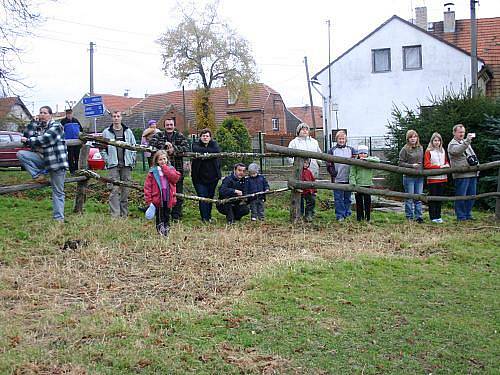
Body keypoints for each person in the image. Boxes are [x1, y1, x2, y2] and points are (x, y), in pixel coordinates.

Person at [17, 106, 68, 221]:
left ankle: (58, 219)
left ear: (50, 115)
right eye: (40, 113)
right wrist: (33, 122)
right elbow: (26, 136)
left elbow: (45, 140)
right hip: (43, 159)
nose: (42, 115)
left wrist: (31, 141)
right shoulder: (39, 126)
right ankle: (38, 175)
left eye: (45, 113)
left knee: (58, 192)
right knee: (21, 154)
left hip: (56, 163)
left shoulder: (57, 126)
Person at [149, 117, 189, 221]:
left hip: (177, 169)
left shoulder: (179, 136)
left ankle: (176, 215)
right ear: (164, 126)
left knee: (177, 193)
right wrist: (164, 146)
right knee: (161, 192)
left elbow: (187, 147)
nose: (169, 127)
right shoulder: (159, 135)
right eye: (167, 125)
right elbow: (151, 144)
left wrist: (174, 149)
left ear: (174, 126)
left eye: (171, 125)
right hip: (160, 172)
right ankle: (162, 212)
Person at [101, 111, 137, 218]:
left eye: (118, 116)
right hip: (113, 164)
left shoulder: (128, 131)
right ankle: (115, 215)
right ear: (112, 118)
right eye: (114, 116)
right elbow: (102, 148)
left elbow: (134, 147)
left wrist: (132, 160)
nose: (116, 118)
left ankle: (124, 213)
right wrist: (108, 160)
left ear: (121, 118)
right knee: (114, 189)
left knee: (126, 189)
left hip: (126, 164)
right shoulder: (106, 132)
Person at [144, 150, 181, 236]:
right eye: (160, 159)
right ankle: (160, 230)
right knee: (160, 215)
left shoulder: (171, 169)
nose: (163, 161)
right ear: (157, 161)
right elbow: (147, 187)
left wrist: (165, 169)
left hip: (168, 197)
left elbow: (175, 178)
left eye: (164, 159)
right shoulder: (153, 171)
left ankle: (166, 230)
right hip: (157, 198)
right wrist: (149, 200)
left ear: (167, 159)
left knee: (167, 214)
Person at [447, 124, 479, 221]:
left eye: (463, 132)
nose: (462, 134)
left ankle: (468, 214)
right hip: (461, 174)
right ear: (454, 132)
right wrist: (467, 140)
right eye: (460, 132)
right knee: (461, 196)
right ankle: (461, 216)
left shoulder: (465, 142)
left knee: (472, 196)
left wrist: (477, 167)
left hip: (472, 172)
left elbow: (472, 155)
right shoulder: (452, 144)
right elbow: (457, 151)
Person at [191, 128, 222, 222]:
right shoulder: (195, 144)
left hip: (213, 177)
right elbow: (196, 149)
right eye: (203, 136)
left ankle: (208, 216)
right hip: (199, 178)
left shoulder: (214, 144)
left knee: (210, 197)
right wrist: (208, 153)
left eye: (207, 136)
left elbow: (216, 150)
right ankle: (204, 218)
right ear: (200, 137)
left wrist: (203, 154)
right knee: (202, 197)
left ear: (210, 137)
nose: (205, 137)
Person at [327, 130, 355, 221]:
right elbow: (329, 164)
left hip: (348, 177)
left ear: (346, 140)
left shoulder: (351, 150)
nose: (341, 140)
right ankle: (340, 215)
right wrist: (333, 173)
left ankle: (347, 213)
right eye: (340, 139)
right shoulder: (332, 150)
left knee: (348, 197)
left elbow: (355, 162)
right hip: (337, 178)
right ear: (336, 140)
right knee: (338, 198)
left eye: (343, 139)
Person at [349, 145, 380, 222]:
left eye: (364, 153)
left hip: (367, 184)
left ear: (367, 154)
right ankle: (359, 218)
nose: (362, 155)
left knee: (367, 203)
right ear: (358, 154)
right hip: (358, 185)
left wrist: (366, 159)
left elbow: (377, 160)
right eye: (361, 153)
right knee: (359, 203)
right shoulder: (355, 162)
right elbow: (352, 173)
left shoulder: (370, 160)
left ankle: (368, 218)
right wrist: (353, 184)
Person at [399, 129, 424, 223]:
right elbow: (400, 163)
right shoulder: (405, 149)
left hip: (419, 176)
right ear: (408, 139)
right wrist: (411, 166)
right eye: (411, 137)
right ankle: (409, 216)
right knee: (409, 198)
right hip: (409, 176)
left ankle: (419, 217)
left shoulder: (420, 148)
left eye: (415, 137)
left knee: (418, 197)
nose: (413, 139)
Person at [424, 132, 450, 223]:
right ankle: (433, 217)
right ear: (432, 141)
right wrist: (439, 167)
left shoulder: (442, 150)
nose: (437, 142)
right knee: (433, 198)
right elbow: (427, 165)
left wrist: (446, 164)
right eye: (435, 140)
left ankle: (438, 216)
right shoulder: (428, 151)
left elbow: (446, 161)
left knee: (439, 198)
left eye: (438, 140)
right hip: (433, 179)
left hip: (443, 178)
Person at [60, 108, 83, 174]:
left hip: (77, 142)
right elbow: (60, 132)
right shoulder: (63, 122)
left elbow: (81, 130)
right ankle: (72, 171)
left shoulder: (76, 120)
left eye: (70, 114)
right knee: (70, 157)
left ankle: (77, 169)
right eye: (68, 114)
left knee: (77, 157)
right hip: (68, 142)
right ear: (66, 114)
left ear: (72, 114)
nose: (69, 115)